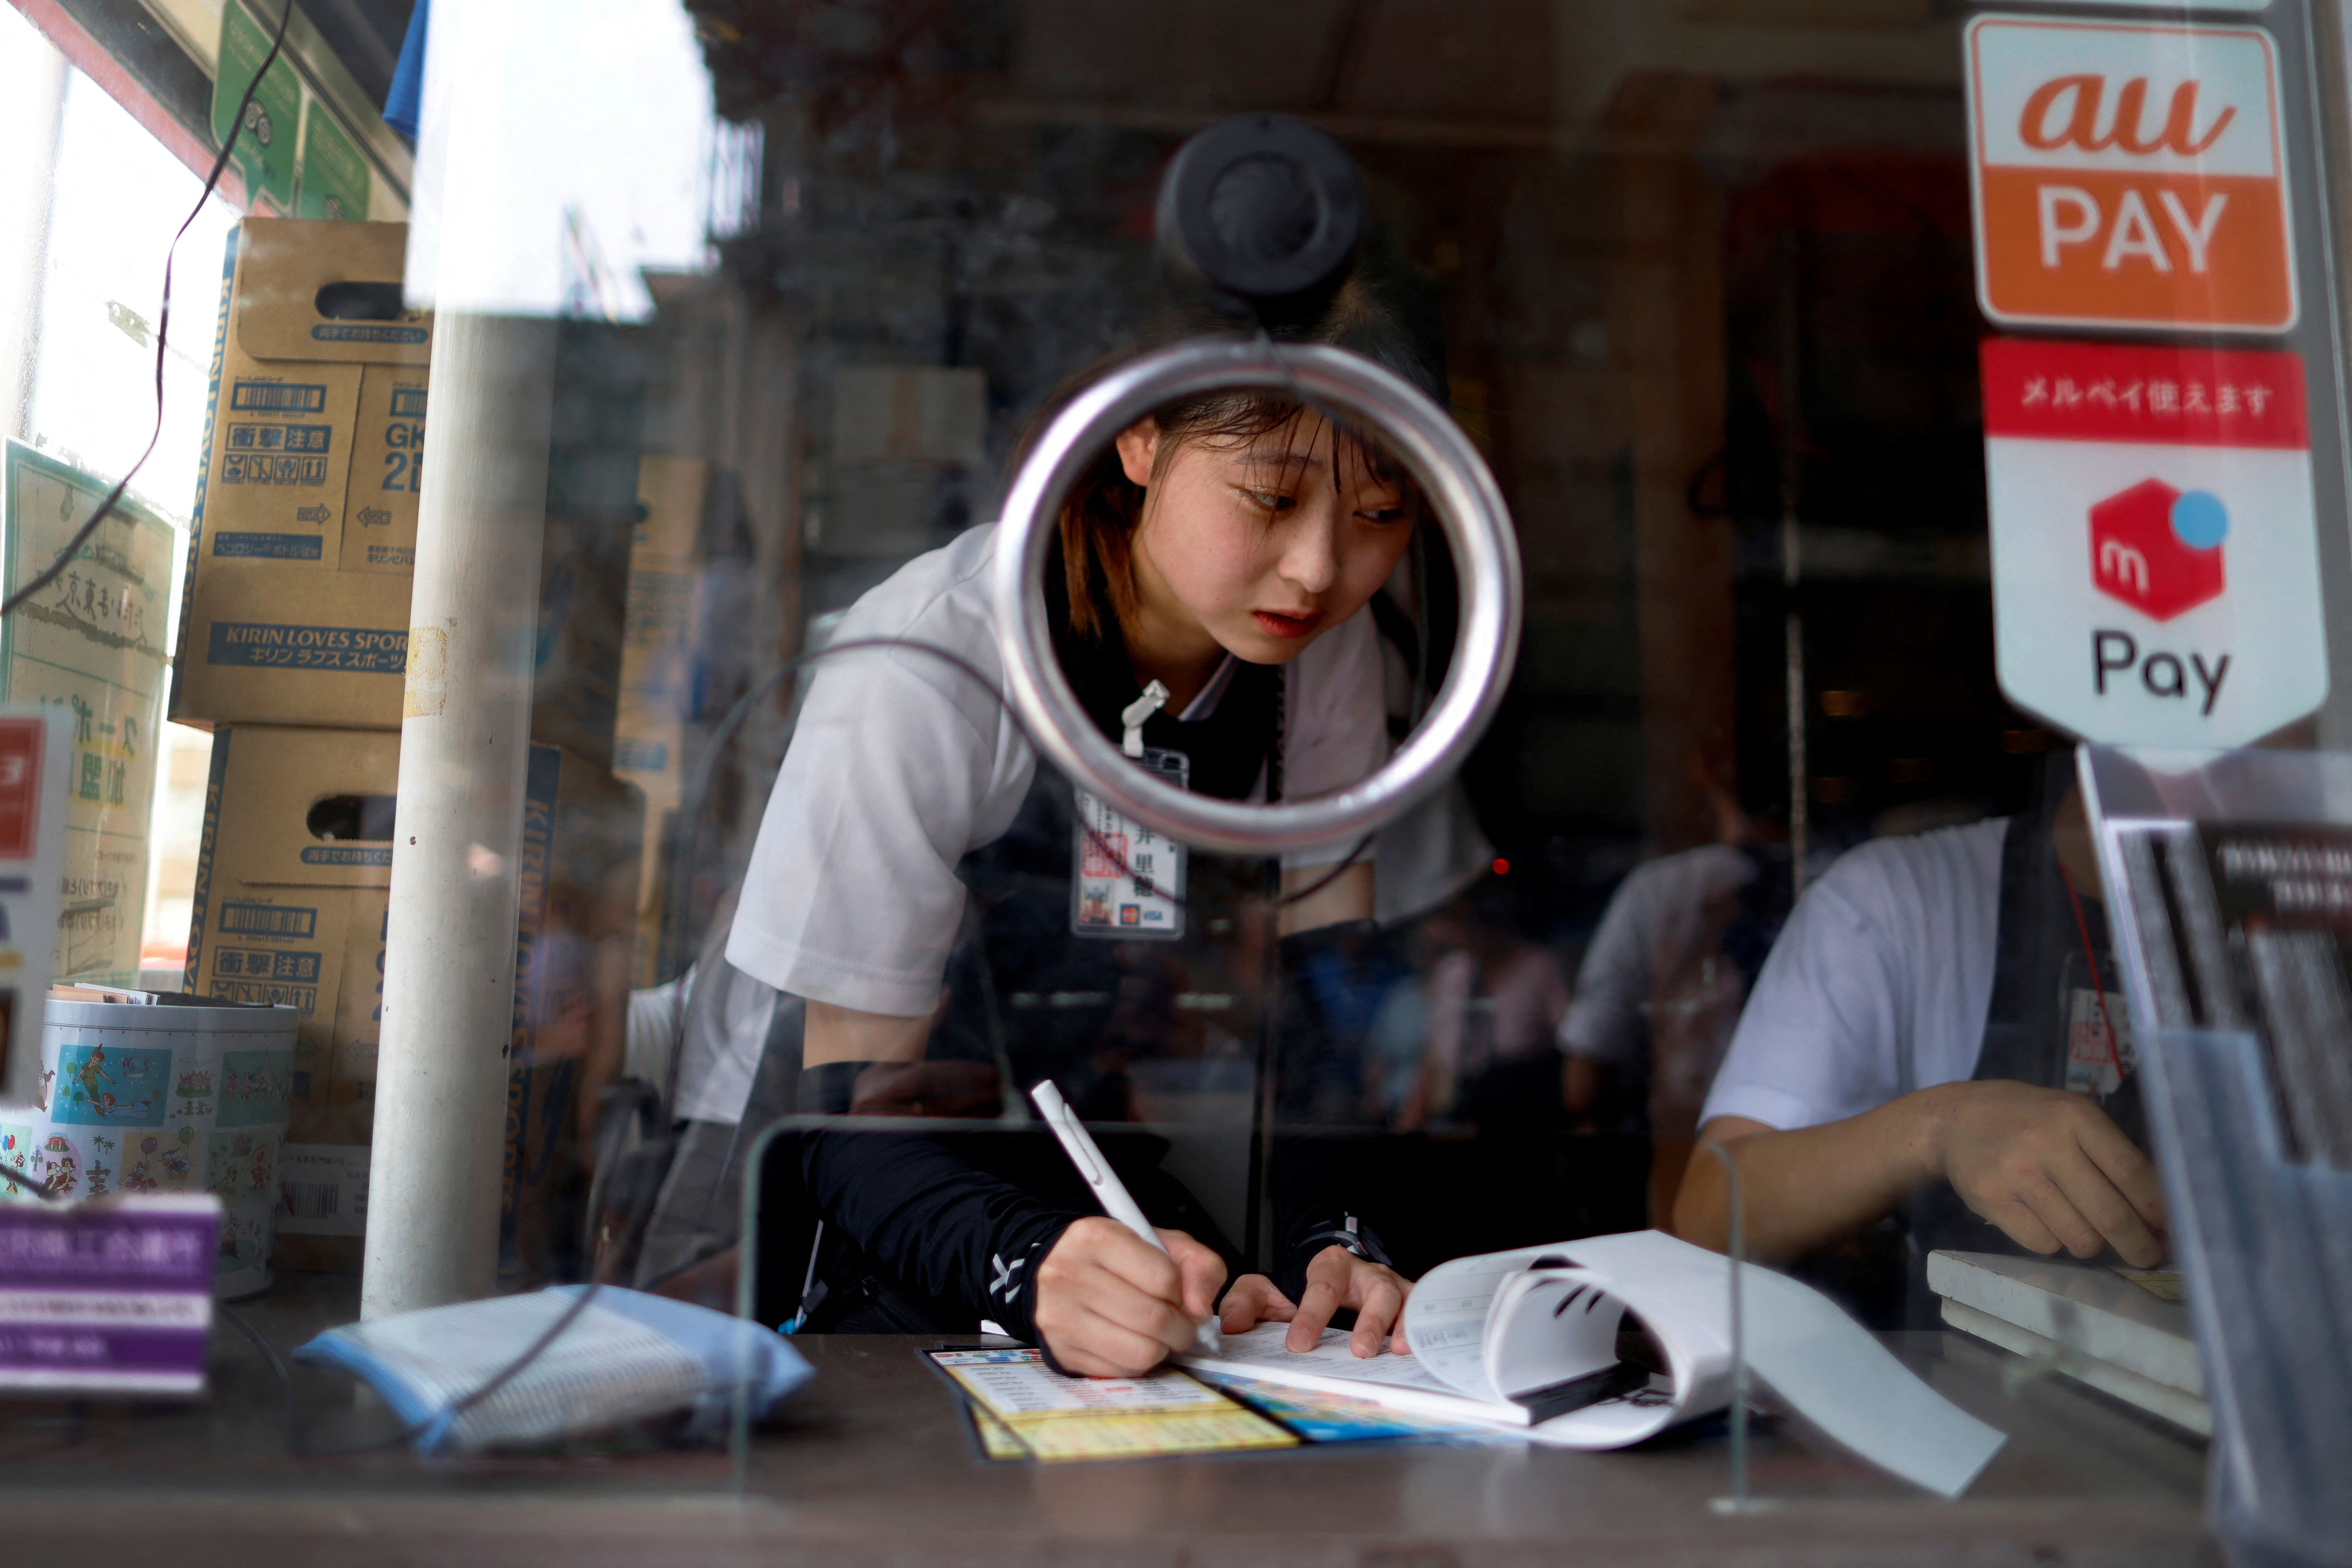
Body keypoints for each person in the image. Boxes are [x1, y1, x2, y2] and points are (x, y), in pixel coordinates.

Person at [725, 271, 1440, 1377]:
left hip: (1097, 1165)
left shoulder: (1323, 651)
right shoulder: (935, 659)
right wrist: (1032, 1264)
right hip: (869, 1203)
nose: (1318, 567)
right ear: (1140, 440)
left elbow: (1326, 991)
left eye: (1380, 516)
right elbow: (842, 1119)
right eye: (1270, 498)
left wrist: (1334, 1242)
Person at [1671, 753, 2166, 1322]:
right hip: (1947, 1383)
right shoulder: (1897, 898)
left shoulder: (2277, 908)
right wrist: (1939, 1126)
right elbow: (1710, 1209)